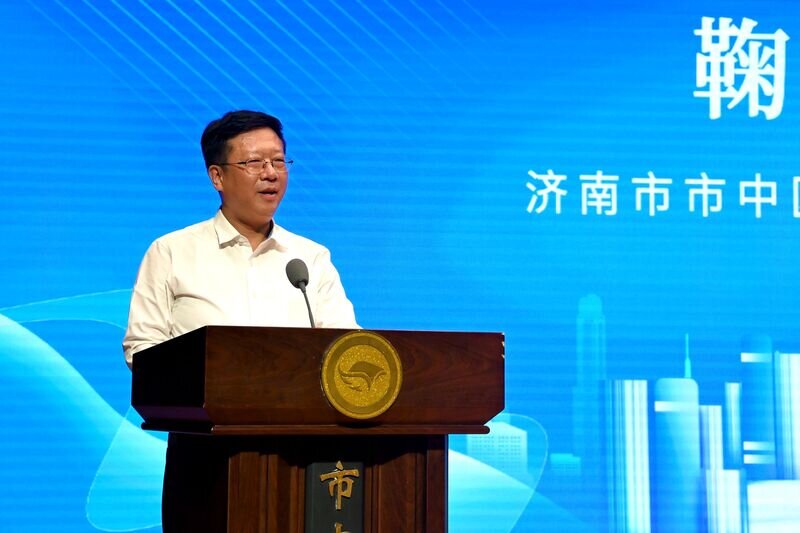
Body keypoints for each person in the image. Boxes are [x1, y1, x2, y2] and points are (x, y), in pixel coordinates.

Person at [122, 110, 358, 367]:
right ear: (217, 177)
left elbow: (347, 350)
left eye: (278, 161)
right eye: (254, 163)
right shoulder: (171, 252)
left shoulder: (311, 259)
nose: (271, 173)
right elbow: (141, 348)